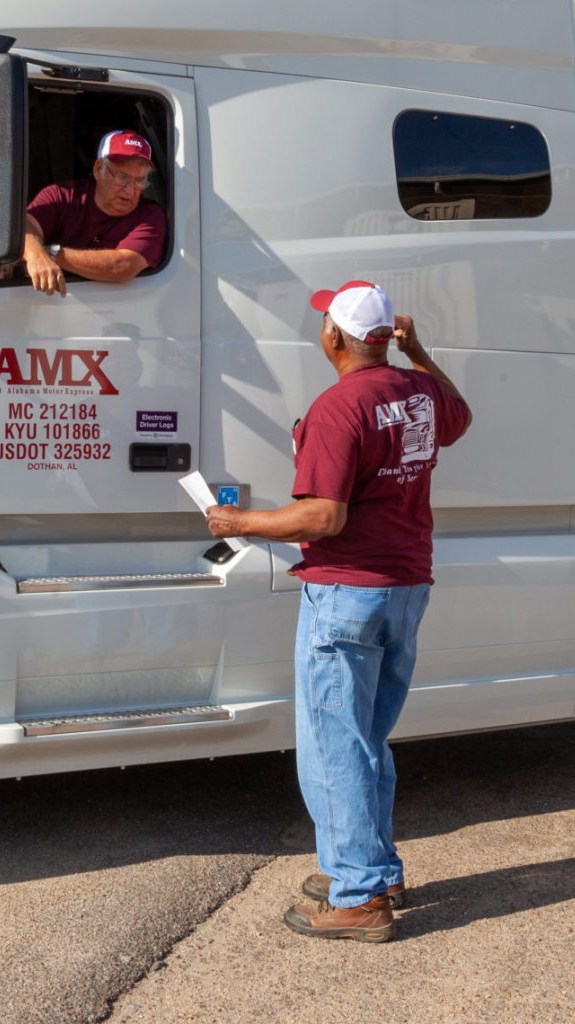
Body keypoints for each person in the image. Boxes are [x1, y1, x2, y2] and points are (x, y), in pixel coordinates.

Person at [203, 279, 473, 943]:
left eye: (327, 319)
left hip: (349, 592)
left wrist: (241, 521)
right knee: (364, 742)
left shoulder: (338, 407)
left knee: (334, 749)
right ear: (386, 336)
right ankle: (371, 868)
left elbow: (325, 516)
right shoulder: (419, 391)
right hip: (405, 587)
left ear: (334, 338)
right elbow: (459, 415)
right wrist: (421, 353)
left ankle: (358, 896)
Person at [19, 130, 168, 295]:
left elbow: (123, 266)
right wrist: (34, 254)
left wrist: (50, 254)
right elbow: (26, 225)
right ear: (98, 169)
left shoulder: (150, 216)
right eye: (122, 177)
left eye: (140, 180)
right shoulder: (61, 195)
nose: (130, 190)